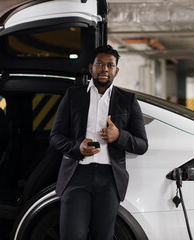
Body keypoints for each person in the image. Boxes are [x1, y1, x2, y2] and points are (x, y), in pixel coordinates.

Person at [50, 45, 148, 240]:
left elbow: (142, 144)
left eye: (110, 65)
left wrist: (119, 136)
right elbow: (55, 137)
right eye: (100, 64)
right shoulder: (73, 95)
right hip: (77, 175)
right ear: (91, 68)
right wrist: (77, 147)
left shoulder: (127, 100)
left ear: (116, 71)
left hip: (109, 179)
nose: (104, 69)